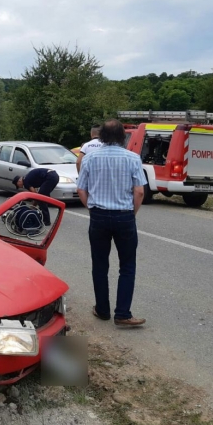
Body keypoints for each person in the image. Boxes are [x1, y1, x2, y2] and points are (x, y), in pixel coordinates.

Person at [77, 119, 146, 327]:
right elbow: (140, 191)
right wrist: (131, 214)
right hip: (124, 216)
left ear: (102, 136)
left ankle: (102, 310)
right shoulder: (133, 158)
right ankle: (123, 314)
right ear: (122, 136)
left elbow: (81, 189)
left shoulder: (90, 158)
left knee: (99, 265)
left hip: (98, 215)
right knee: (127, 266)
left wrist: (92, 209)